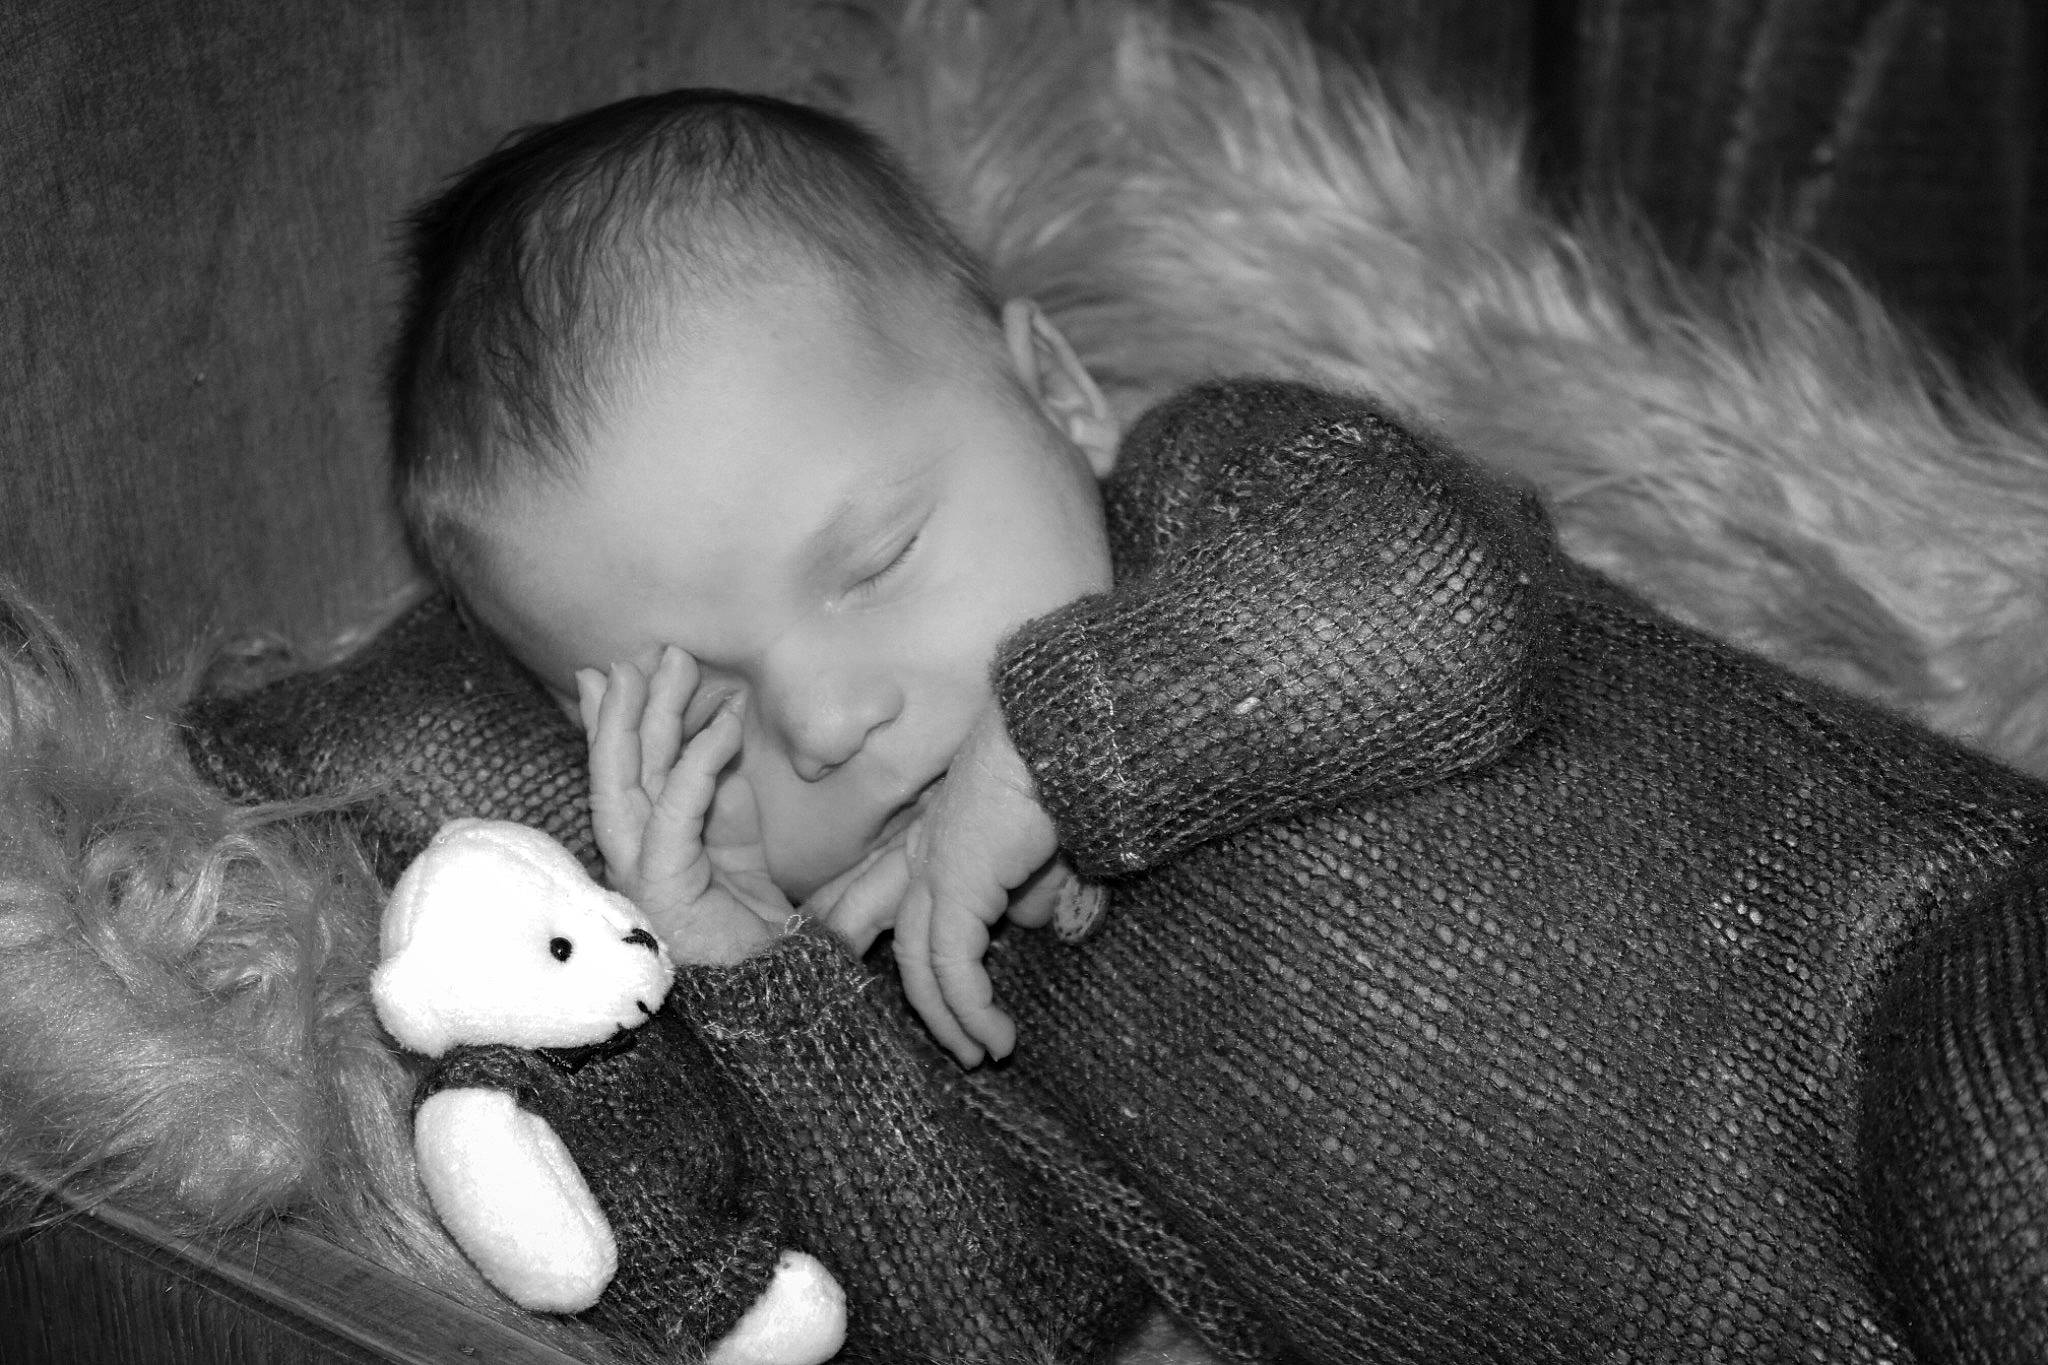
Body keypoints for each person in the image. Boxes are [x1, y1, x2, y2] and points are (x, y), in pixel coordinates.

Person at [357, 86, 2048, 1362]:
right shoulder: (913, 986)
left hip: (1908, 986)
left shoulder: (1223, 496)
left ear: (1061, 397)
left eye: (874, 560)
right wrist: (757, 976)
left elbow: (1462, 605)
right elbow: (1004, 1324)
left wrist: (1068, 733)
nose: (825, 713)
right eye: (704, 708)